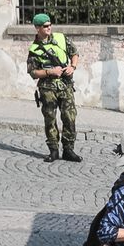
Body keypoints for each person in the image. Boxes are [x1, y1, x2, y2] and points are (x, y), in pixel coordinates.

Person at [27, 13, 81, 163]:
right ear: (37, 28)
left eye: (50, 24)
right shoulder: (34, 49)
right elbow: (32, 72)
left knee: (70, 117)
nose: (49, 27)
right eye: (45, 26)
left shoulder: (61, 38)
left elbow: (75, 53)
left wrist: (72, 66)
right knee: (50, 119)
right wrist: (49, 72)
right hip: (47, 88)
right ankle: (53, 150)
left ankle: (69, 149)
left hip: (65, 85)